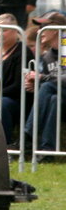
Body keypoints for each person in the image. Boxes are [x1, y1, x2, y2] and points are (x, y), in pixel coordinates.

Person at [0, 12, 33, 146]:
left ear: (16, 31)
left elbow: (18, 86)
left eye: (4, 30)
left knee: (2, 104)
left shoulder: (23, 52)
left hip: (15, 101)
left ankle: (4, 147)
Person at [23, 11, 66, 161]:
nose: (39, 31)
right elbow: (51, 82)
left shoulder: (65, 48)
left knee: (48, 88)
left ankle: (28, 133)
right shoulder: (47, 55)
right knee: (54, 99)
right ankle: (48, 150)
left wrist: (42, 78)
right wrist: (36, 84)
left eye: (44, 26)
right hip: (60, 98)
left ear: (55, 30)